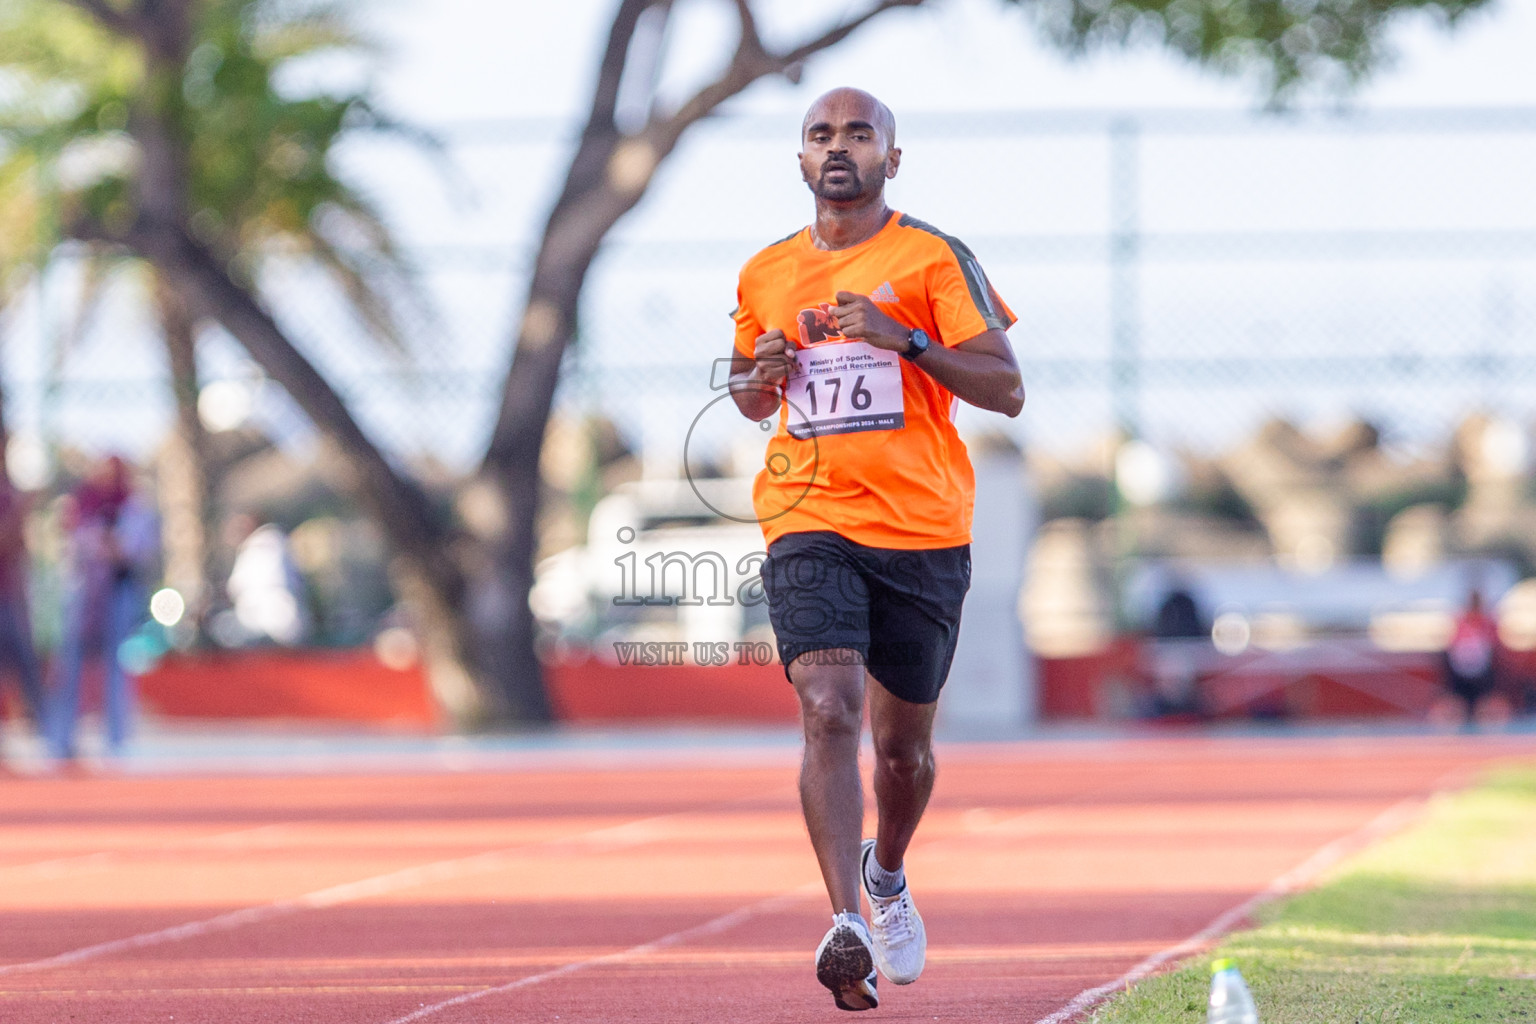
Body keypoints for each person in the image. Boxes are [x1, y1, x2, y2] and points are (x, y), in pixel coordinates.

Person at [727, 88, 1023, 1011]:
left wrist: (909, 342)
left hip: (923, 530)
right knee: (827, 707)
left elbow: (1006, 389)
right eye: (822, 135)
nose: (840, 147)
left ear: (893, 158)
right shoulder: (765, 271)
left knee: (903, 753)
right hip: (807, 516)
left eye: (860, 134)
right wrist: (761, 375)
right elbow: (744, 393)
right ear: (802, 159)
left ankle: (886, 870)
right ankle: (844, 918)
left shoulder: (932, 257)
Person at [47, 456, 159, 760]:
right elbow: (73, 546)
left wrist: (108, 545)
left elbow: (131, 551)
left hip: (118, 594)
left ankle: (116, 739)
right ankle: (60, 738)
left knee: (116, 666)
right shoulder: (82, 504)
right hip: (83, 596)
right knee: (70, 666)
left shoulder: (133, 506)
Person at [0, 465, 44, 732]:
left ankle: (45, 727)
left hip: (9, 593)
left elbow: (19, 551)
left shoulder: (8, 492)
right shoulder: (13, 500)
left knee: (25, 661)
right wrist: (20, 511)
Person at [1443, 588, 1500, 726]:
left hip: (1481, 669)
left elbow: (1494, 643)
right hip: (1460, 669)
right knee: (1458, 700)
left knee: (1483, 701)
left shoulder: (1487, 622)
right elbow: (1452, 642)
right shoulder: (1461, 621)